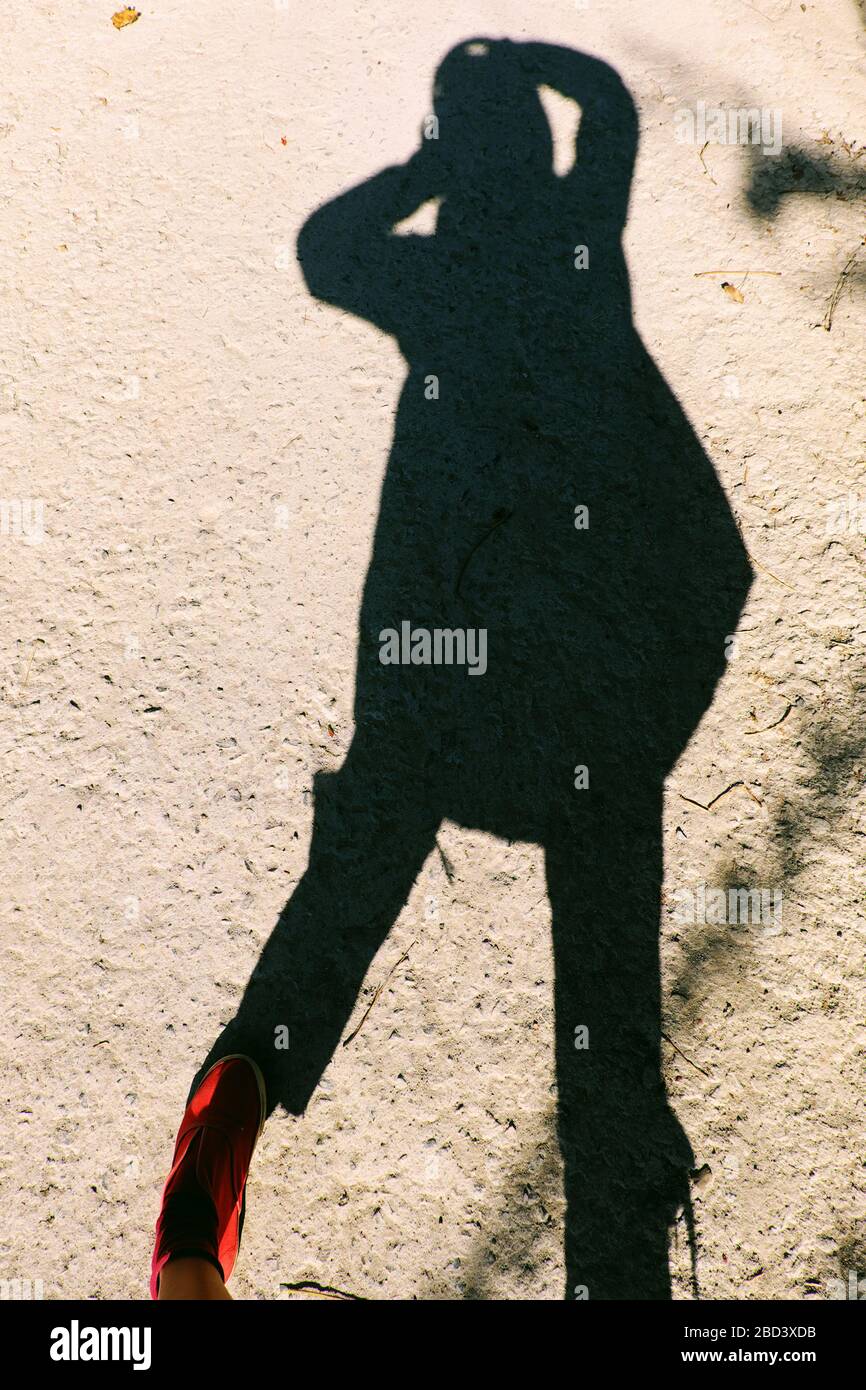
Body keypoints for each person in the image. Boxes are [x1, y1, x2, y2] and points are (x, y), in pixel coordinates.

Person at [151, 38, 751, 1300]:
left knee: (364, 850)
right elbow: (610, 118)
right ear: (533, 161)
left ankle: (224, 1141)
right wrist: (534, 64)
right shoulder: (582, 253)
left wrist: (417, 170)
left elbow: (323, 248)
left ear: (457, 160)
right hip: (590, 672)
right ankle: (618, 1214)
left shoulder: (433, 276)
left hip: (438, 662)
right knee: (604, 942)